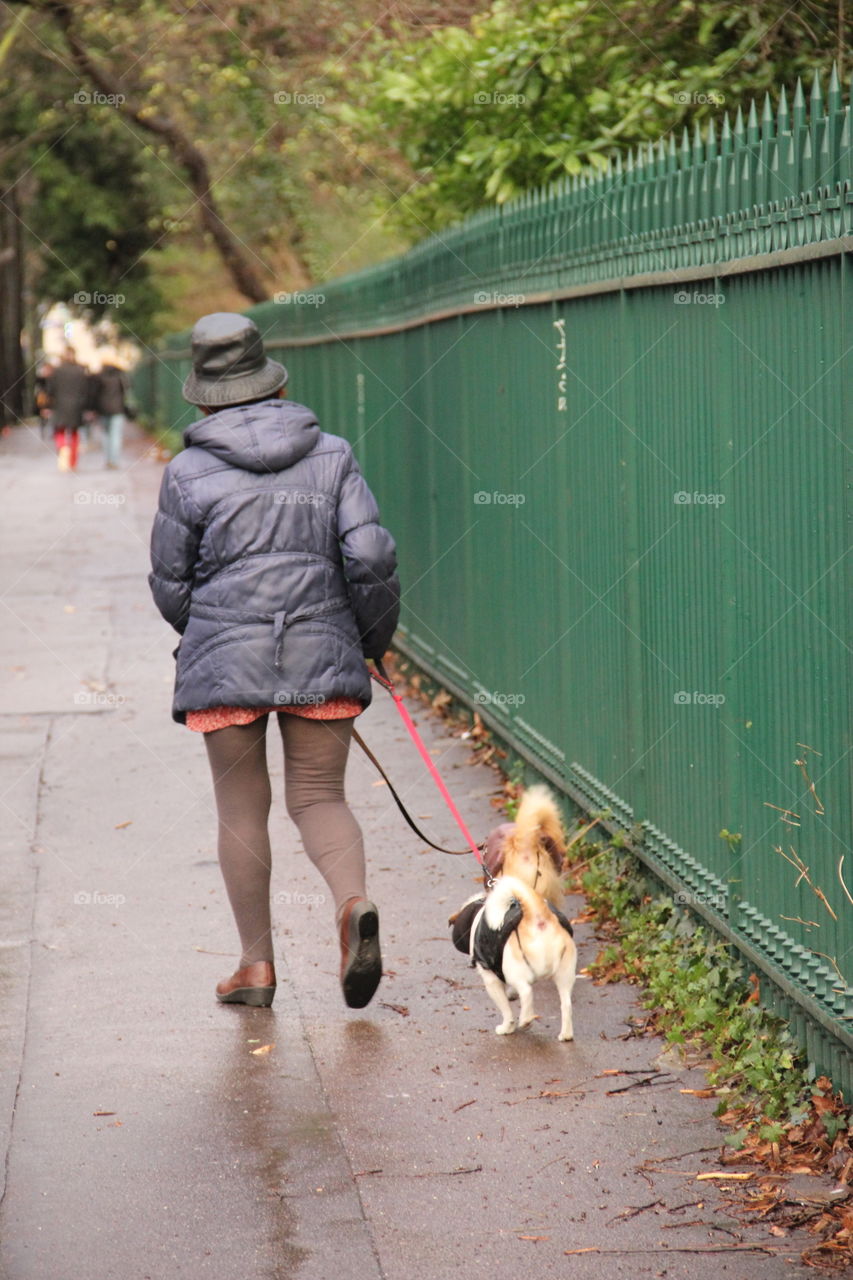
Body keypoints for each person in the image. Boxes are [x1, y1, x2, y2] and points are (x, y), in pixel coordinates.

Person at [148, 312, 400, 1011]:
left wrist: (209, 633)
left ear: (202, 396)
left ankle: (254, 968)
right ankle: (351, 905)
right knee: (319, 797)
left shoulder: (186, 472)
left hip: (223, 663)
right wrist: (370, 640)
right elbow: (369, 556)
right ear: (274, 383)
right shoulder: (333, 455)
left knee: (241, 809)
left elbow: (169, 583)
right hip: (323, 647)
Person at [47, 346, 89, 471]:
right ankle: (73, 461)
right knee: (74, 433)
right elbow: (85, 390)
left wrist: (48, 405)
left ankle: (63, 447)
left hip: (60, 405)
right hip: (76, 406)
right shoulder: (80, 371)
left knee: (60, 430)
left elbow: (50, 390)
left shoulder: (57, 371)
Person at [94, 359, 129, 468]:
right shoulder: (119, 377)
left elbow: (94, 394)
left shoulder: (99, 378)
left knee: (106, 434)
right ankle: (115, 460)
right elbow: (127, 389)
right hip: (118, 409)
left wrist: (95, 409)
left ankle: (108, 459)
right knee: (116, 435)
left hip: (103, 410)